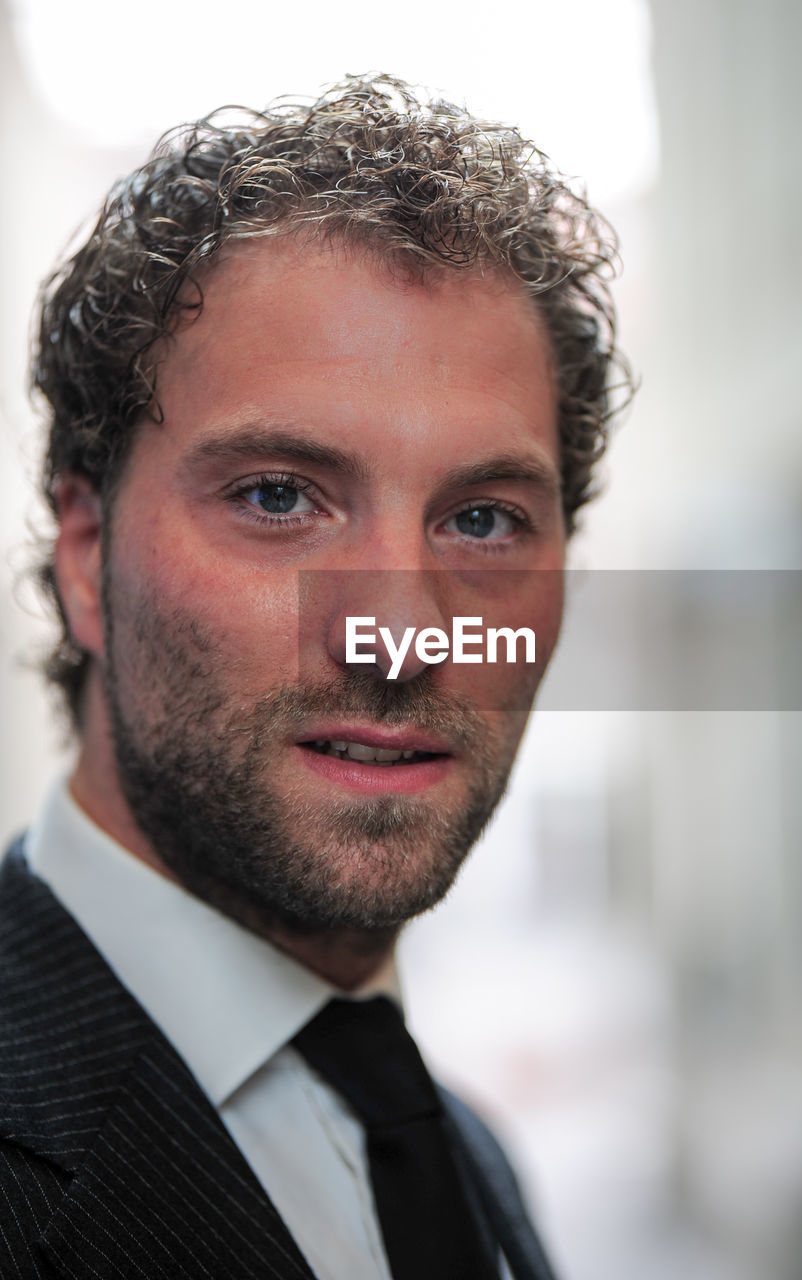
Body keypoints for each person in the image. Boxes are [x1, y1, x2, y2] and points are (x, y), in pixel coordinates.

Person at [0, 74, 626, 1279]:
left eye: (485, 519)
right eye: (278, 496)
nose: (401, 631)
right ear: (89, 561)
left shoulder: (467, 1155)